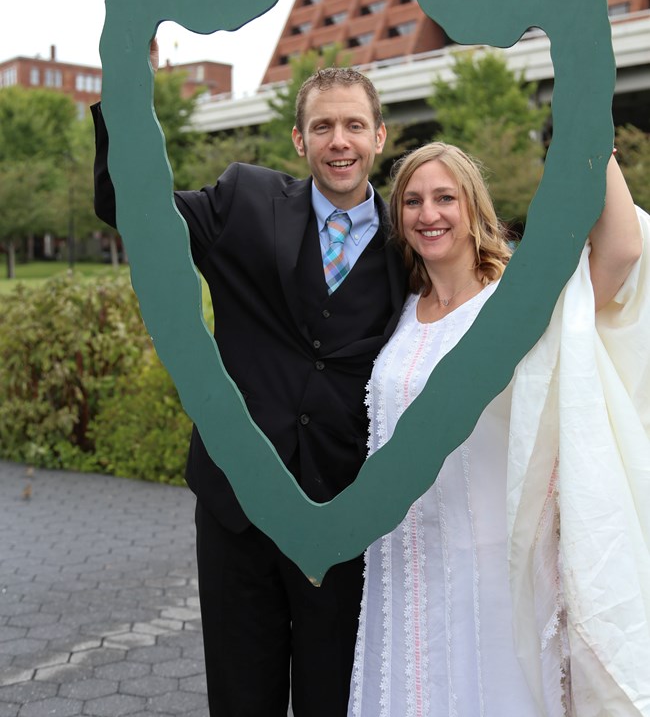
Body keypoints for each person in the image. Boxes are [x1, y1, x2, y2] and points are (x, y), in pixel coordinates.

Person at [92, 47, 407, 717]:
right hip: (237, 508)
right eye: (322, 126)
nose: (339, 141)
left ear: (380, 136)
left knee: (334, 699)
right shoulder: (245, 199)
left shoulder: (415, 238)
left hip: (344, 513)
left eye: (354, 125)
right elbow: (132, 207)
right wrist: (124, 92)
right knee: (240, 699)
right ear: (299, 138)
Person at [348, 142, 646, 717]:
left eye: (444, 198)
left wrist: (593, 141)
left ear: (473, 208)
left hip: (489, 565)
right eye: (411, 201)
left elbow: (623, 251)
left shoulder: (516, 304)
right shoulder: (402, 307)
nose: (427, 214)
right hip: (400, 560)